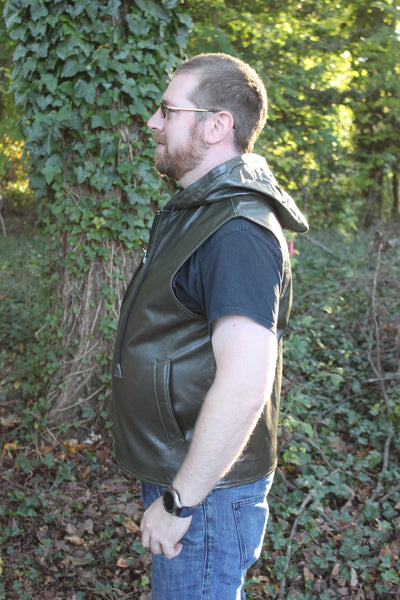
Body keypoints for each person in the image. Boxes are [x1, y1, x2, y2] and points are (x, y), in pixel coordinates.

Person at [112, 52, 308, 599]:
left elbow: (245, 385)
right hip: (191, 473)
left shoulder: (237, 231)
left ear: (217, 125)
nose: (152, 122)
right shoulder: (201, 212)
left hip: (206, 492)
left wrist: (180, 503)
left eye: (168, 110)